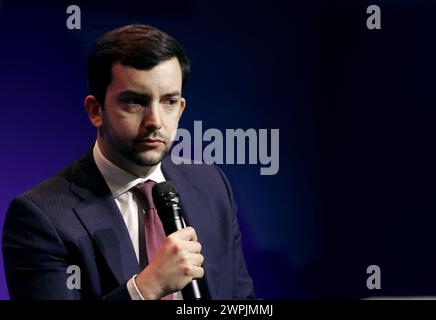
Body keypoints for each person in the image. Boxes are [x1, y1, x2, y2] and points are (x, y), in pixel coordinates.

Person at [2, 24, 255, 300]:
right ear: (95, 110)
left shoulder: (211, 186)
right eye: (135, 102)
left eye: (168, 101)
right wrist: (144, 289)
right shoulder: (40, 217)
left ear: (180, 108)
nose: (155, 122)